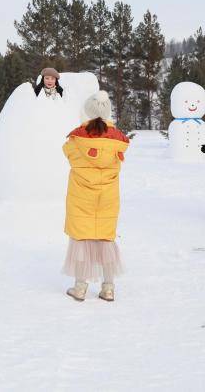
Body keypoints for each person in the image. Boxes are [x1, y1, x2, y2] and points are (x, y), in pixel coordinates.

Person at [62, 91, 129, 302]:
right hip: (107, 197)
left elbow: (67, 152)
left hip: (81, 195)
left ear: (87, 111)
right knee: (105, 239)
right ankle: (108, 288)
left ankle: (80, 287)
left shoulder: (77, 138)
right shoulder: (117, 140)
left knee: (81, 239)